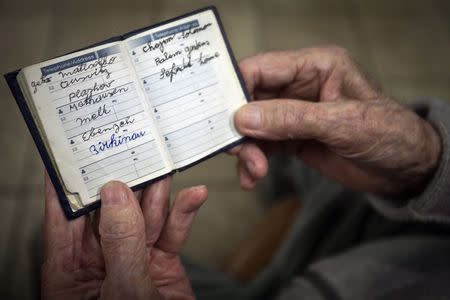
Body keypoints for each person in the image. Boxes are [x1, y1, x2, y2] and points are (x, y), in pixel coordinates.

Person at [41, 46, 450, 300]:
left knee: (58, 253)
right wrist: (429, 158)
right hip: (416, 219)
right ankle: (289, 203)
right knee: (286, 145)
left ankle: (283, 220)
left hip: (317, 284)